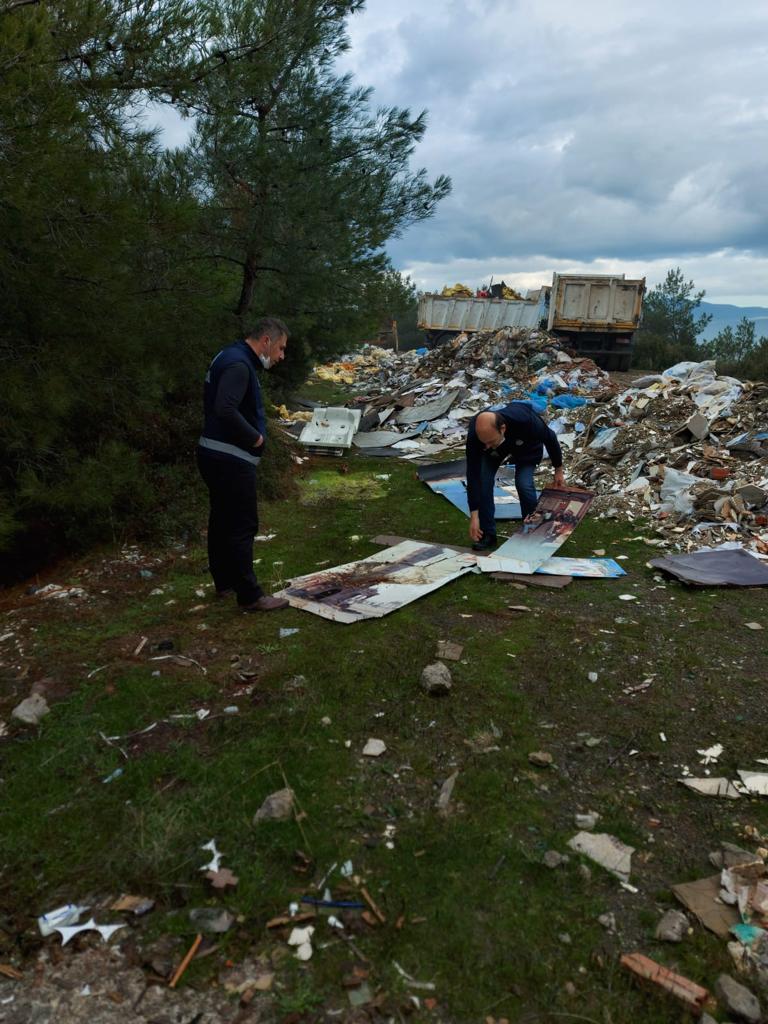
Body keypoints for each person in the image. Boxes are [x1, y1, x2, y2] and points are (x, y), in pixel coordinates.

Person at [197, 317, 290, 612]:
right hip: (230, 459)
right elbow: (225, 409)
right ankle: (250, 595)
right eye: (280, 348)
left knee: (221, 520)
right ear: (266, 341)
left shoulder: (228, 355)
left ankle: (224, 581)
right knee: (242, 524)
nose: (281, 356)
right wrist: (255, 438)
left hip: (213, 454)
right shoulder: (239, 365)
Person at [465, 402, 565, 551]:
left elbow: (550, 438)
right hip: (499, 449)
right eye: (483, 443)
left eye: (490, 441)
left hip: (527, 445)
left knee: (524, 484)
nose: (486, 446)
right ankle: (488, 534)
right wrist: (474, 515)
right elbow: (472, 473)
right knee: (483, 481)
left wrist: (558, 469)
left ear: (502, 428)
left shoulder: (526, 420)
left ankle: (531, 532)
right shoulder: (478, 432)